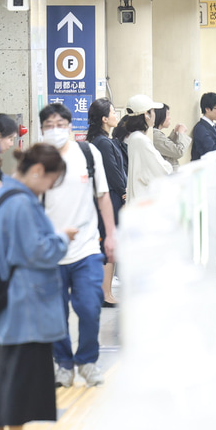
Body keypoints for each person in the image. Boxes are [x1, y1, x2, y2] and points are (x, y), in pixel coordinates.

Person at [0, 144, 77, 430]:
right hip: (28, 297)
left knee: (10, 365)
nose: (49, 188)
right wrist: (61, 238)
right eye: (50, 180)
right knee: (24, 366)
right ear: (37, 172)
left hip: (16, 294)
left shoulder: (5, 195)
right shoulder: (21, 203)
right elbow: (35, 251)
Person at [39, 103, 117, 388]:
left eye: (61, 124)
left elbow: (104, 197)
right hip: (51, 251)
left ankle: (87, 360)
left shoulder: (87, 153)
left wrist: (110, 234)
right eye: (49, 125)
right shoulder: (36, 159)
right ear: (42, 129)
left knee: (89, 306)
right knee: (55, 313)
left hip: (85, 248)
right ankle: (63, 364)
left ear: (70, 126)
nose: (55, 130)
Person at [86, 99, 125, 307]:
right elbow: (113, 172)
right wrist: (124, 192)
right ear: (104, 118)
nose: (115, 115)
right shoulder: (102, 142)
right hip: (111, 197)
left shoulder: (103, 140)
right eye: (112, 112)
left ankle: (106, 292)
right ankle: (105, 293)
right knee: (108, 244)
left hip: (112, 196)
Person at [125, 94, 174, 202]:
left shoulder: (134, 137)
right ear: (146, 115)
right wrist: (169, 166)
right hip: (143, 199)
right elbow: (162, 170)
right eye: (152, 111)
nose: (154, 115)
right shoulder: (141, 140)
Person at [152, 102, 190, 171]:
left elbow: (167, 147)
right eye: (168, 115)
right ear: (160, 116)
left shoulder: (156, 134)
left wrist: (175, 134)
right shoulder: (155, 135)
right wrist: (181, 134)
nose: (169, 118)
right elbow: (178, 152)